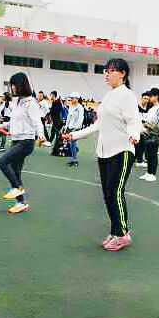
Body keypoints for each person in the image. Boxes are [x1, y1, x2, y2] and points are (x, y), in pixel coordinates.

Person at [63, 58, 142, 252]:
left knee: (115, 192)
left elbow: (134, 120)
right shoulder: (109, 96)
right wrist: (74, 135)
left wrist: (134, 135)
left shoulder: (127, 95)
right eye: (105, 70)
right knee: (108, 194)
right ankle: (115, 230)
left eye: (111, 70)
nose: (106, 74)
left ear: (122, 74)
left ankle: (122, 234)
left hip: (122, 150)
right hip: (104, 152)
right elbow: (98, 125)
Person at [0, 73, 45, 214]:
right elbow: (15, 120)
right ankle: (21, 203)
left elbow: (37, 122)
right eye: (11, 85)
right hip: (16, 140)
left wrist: (41, 135)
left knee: (2, 162)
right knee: (16, 172)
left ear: (20, 85)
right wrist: (3, 126)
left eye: (13, 85)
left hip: (26, 142)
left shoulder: (31, 103)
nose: (12, 87)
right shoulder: (18, 101)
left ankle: (17, 187)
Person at [139, 88, 159, 182]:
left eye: (151, 96)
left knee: (153, 155)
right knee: (148, 155)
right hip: (147, 134)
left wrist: (149, 125)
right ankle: (148, 172)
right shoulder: (151, 109)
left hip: (155, 135)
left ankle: (152, 174)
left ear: (156, 96)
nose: (149, 98)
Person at [65, 92, 85, 167]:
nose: (71, 100)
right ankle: (73, 158)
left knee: (73, 144)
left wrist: (75, 129)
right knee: (71, 144)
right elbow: (68, 117)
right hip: (69, 128)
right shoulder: (71, 106)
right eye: (71, 98)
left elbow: (80, 119)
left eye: (72, 98)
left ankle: (75, 160)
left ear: (77, 99)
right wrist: (66, 127)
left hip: (76, 129)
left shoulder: (80, 108)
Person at [134, 91, 151, 167]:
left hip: (144, 129)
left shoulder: (148, 108)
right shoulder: (136, 107)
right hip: (136, 129)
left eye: (147, 99)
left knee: (143, 145)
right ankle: (139, 160)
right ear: (141, 98)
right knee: (137, 145)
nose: (146, 100)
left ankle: (139, 159)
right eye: (144, 98)